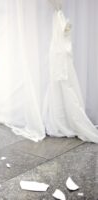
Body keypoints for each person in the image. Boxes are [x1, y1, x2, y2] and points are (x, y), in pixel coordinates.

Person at [43, 1, 98, 143]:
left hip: (61, 59)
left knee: (67, 87)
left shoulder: (59, 17)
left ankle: (66, 120)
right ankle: (60, 119)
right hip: (58, 58)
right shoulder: (57, 17)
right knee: (61, 86)